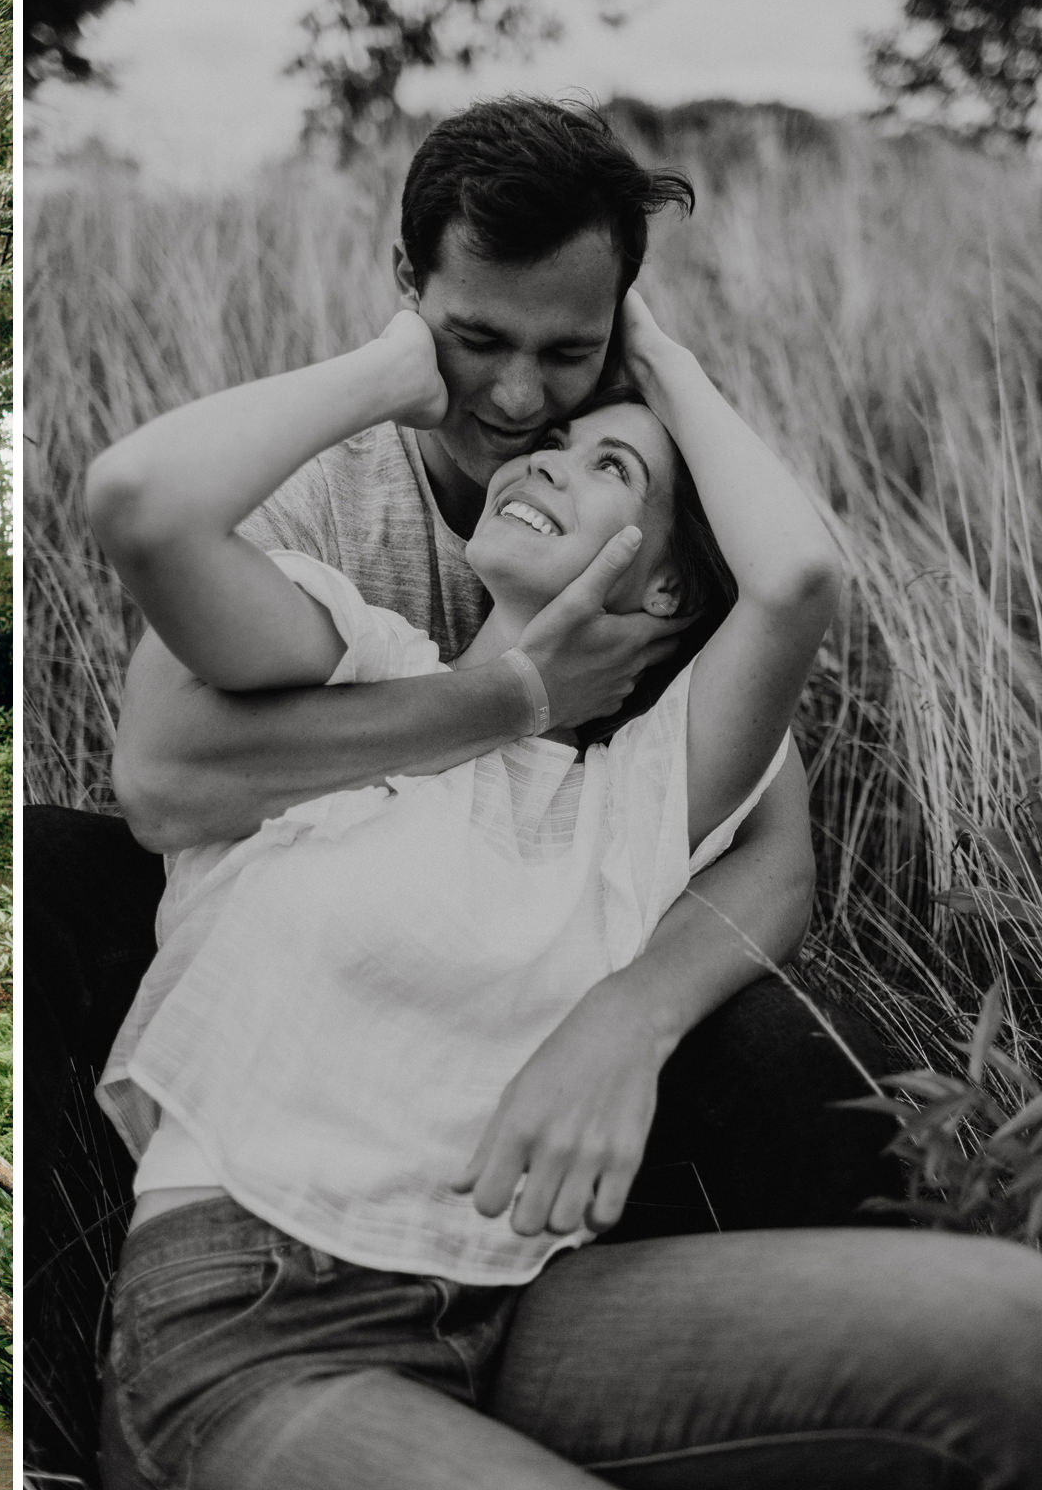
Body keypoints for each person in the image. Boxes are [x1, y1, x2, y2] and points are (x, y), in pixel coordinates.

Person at [83, 242, 1042, 1488]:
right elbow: (141, 500)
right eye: (549, 446)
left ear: (663, 594)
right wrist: (394, 364)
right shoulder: (354, 672)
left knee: (1013, 1332)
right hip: (249, 1321)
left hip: (518, 1307)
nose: (542, 454)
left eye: (609, 467)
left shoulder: (630, 805)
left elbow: (797, 576)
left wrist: (659, 355)